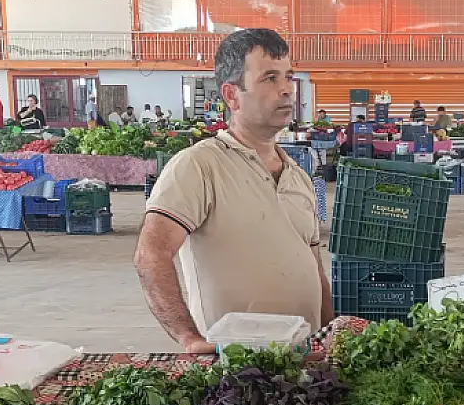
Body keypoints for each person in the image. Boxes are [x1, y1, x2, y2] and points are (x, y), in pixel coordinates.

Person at [135, 28, 330, 353]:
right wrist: (189, 336)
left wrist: (326, 339)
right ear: (231, 95)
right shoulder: (198, 166)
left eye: (288, 77)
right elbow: (150, 254)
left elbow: (315, 269)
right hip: (234, 371)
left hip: (302, 365)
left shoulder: (299, 177)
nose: (286, 90)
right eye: (269, 78)